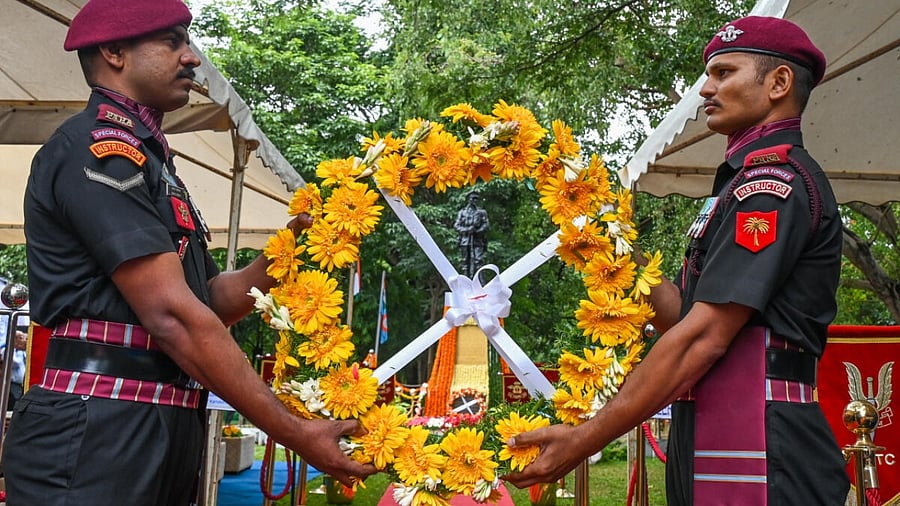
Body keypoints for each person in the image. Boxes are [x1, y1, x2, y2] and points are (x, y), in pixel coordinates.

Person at [2, 1, 374, 504]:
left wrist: (292, 251)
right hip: (97, 431)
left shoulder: (155, 163)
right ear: (114, 51)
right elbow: (173, 315)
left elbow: (208, 300)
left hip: (151, 425)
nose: (192, 57)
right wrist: (293, 430)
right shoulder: (97, 150)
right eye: (173, 41)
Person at [505, 16, 850, 505]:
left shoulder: (774, 187)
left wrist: (585, 437)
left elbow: (703, 338)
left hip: (765, 447)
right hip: (715, 428)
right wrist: (614, 245)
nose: (706, 89)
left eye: (723, 72)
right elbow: (684, 317)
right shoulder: (736, 186)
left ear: (778, 83)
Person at [454, 191, 490, 278]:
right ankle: (466, 282)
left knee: (479, 261)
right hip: (465, 240)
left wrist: (478, 231)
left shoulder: (482, 212)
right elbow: (456, 225)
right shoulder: (462, 212)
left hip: (478, 240)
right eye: (473, 198)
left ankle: (481, 282)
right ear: (468, 199)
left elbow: (486, 225)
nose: (474, 200)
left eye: (476, 199)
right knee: (465, 262)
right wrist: (467, 230)